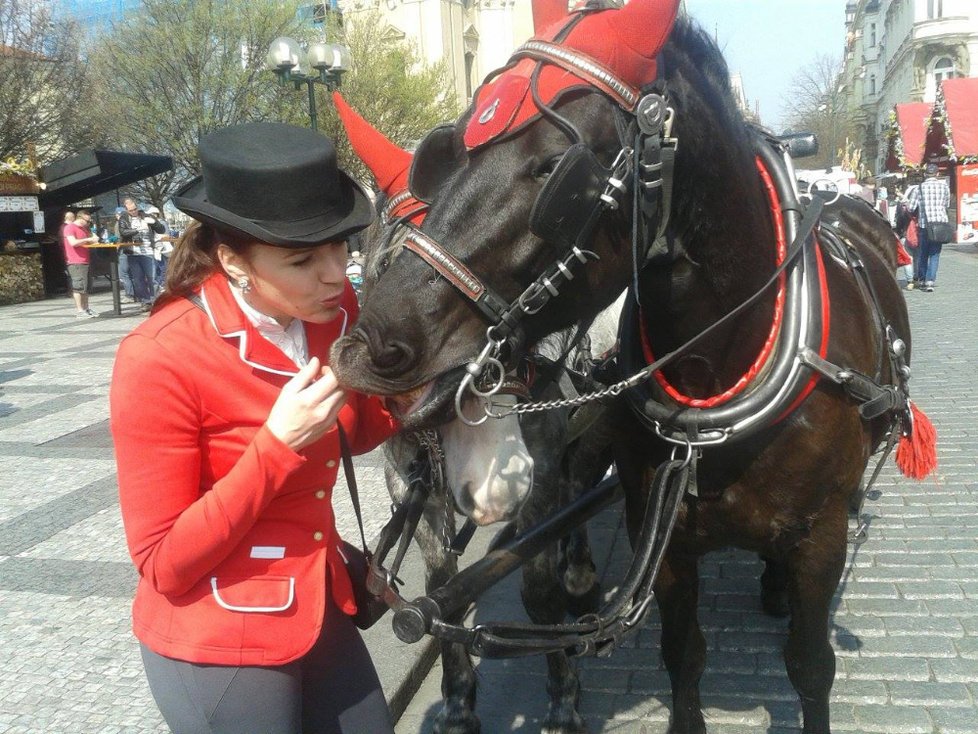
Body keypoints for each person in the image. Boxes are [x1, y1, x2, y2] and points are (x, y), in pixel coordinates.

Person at [110, 121, 398, 734]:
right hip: (216, 630)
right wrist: (276, 447)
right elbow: (163, 562)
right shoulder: (159, 356)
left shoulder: (331, 311)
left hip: (316, 598)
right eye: (303, 258)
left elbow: (359, 427)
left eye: (342, 247)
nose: (336, 274)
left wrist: (435, 383)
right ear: (232, 258)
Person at [907, 162, 952, 292]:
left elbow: (911, 207)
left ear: (926, 174)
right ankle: (930, 281)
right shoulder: (944, 187)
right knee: (935, 254)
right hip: (940, 224)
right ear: (937, 174)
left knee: (923, 254)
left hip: (924, 225)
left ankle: (921, 279)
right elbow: (946, 204)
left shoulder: (919, 188)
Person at [118, 197, 164, 310]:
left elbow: (161, 230)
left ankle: (155, 300)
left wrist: (154, 223)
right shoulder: (123, 218)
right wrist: (138, 230)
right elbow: (123, 232)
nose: (133, 212)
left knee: (151, 278)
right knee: (138, 279)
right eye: (130, 210)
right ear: (126, 210)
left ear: (137, 207)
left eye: (135, 209)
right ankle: (146, 302)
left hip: (148, 251)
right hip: (132, 252)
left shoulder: (147, 216)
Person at [62, 210, 99, 318]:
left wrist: (93, 240)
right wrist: (88, 239)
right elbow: (73, 242)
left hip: (85, 260)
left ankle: (86, 308)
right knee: (78, 286)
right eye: (87, 221)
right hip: (75, 261)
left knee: (86, 287)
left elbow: (87, 241)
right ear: (80, 218)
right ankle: (79, 310)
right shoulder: (69, 228)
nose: (88, 223)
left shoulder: (84, 229)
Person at [147, 206, 173, 292]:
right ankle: (160, 284)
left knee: (163, 267)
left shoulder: (161, 223)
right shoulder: (150, 224)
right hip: (156, 248)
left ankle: (163, 284)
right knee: (158, 268)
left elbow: (167, 235)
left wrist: (157, 238)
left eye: (152, 214)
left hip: (163, 248)